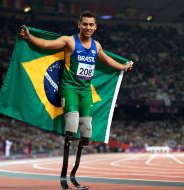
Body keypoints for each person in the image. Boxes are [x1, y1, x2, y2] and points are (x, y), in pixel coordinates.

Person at [20, 11, 133, 190]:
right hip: (69, 89)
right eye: (85, 24)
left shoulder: (97, 46)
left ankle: (74, 174)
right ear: (79, 24)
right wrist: (29, 37)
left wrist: (124, 67)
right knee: (72, 127)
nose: (88, 27)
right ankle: (64, 176)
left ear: (95, 27)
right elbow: (47, 44)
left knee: (87, 132)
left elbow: (108, 60)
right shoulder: (69, 41)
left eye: (91, 25)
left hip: (85, 90)